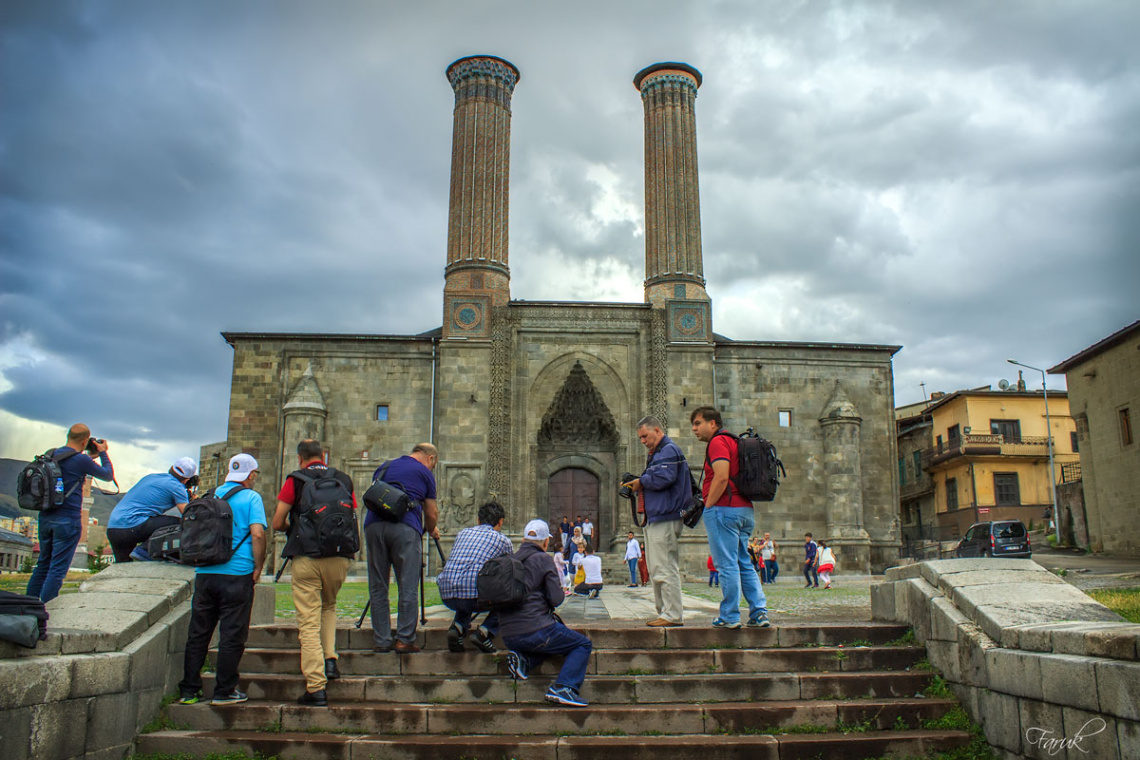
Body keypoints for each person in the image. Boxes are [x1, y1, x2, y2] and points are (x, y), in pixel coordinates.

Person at [272, 440, 357, 707]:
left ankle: (316, 686)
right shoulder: (343, 479)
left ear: (300, 458)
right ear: (324, 456)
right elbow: (351, 513)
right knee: (329, 607)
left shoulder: (295, 480)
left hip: (307, 557)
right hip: (340, 555)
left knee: (308, 622)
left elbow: (277, 521)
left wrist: (292, 527)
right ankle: (330, 660)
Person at [178, 454, 267, 705]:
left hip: (205, 574)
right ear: (250, 475)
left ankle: (189, 690)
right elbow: (258, 534)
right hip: (237, 575)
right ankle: (224, 690)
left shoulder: (210, 496)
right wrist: (258, 566)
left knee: (198, 633)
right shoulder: (251, 497)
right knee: (232, 635)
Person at [691, 406, 770, 629]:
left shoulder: (717, 442)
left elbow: (722, 476)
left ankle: (729, 616)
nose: (694, 429)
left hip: (724, 509)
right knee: (744, 563)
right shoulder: (735, 442)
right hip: (745, 510)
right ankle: (759, 612)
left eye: (698, 423)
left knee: (726, 564)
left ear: (713, 423)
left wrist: (709, 505)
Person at [500, 519, 593, 707]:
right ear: (545, 542)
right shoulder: (543, 559)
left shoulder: (509, 559)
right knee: (582, 644)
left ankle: (524, 661)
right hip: (535, 630)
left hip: (508, 634)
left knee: (552, 642)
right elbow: (557, 598)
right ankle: (564, 687)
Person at [26, 424, 114, 603]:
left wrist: (89, 457)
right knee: (57, 570)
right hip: (67, 520)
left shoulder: (51, 454)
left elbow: (71, 468)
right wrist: (103, 452)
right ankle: (46, 610)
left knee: (42, 565)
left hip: (45, 517)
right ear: (84, 441)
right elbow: (107, 475)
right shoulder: (81, 461)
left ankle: (28, 606)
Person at [365, 443, 440, 654]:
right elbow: (431, 513)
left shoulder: (384, 467)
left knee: (378, 585)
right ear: (431, 459)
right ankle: (404, 639)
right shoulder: (424, 473)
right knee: (407, 583)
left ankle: (381, 640)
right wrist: (430, 529)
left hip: (373, 525)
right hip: (405, 527)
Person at [621, 415, 691, 628]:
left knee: (665, 566)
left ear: (658, 431)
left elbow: (664, 478)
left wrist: (640, 481)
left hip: (666, 516)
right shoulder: (658, 453)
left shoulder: (668, 450)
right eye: (640, 437)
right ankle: (665, 613)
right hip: (656, 517)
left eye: (645, 436)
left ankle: (672, 614)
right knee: (657, 566)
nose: (642, 441)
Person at [436, 501, 512, 653]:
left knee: (467, 589)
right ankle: (484, 633)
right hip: (474, 596)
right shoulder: (503, 540)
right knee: (509, 596)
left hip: (446, 593)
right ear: (501, 521)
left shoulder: (462, 533)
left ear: (478, 520)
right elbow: (511, 570)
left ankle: (457, 628)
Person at [106, 457, 197, 563]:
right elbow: (186, 514)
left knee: (123, 566)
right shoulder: (176, 486)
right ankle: (144, 550)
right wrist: (193, 502)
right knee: (181, 523)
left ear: (171, 468)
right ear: (187, 479)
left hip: (113, 528)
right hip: (133, 525)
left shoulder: (151, 477)